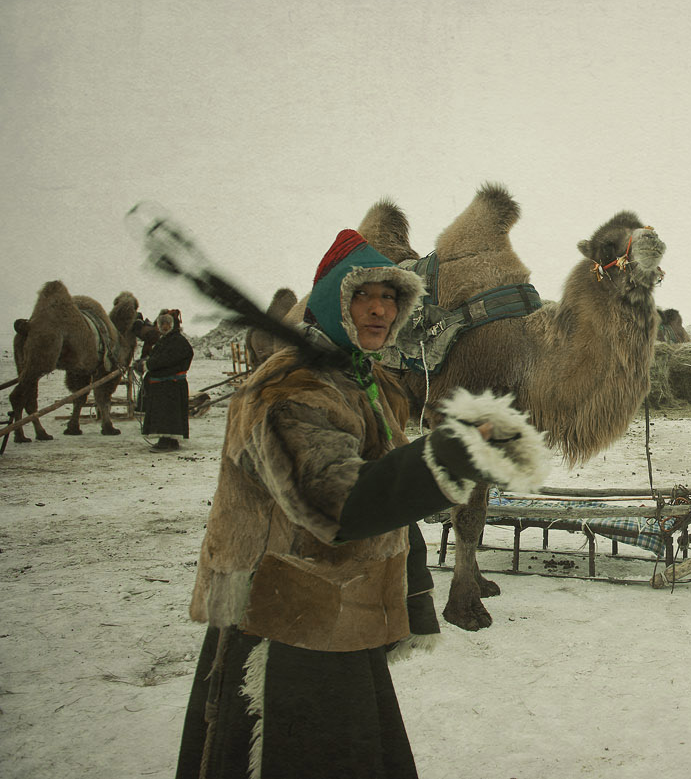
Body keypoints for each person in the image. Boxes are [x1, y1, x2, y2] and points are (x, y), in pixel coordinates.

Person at [174, 229, 550, 779]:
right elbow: (341, 504)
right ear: (333, 302)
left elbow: (378, 481)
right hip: (281, 626)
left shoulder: (353, 381)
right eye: (363, 296)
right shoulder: (290, 392)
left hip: (332, 615)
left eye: (391, 298)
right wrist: (458, 450)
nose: (379, 309)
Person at [140, 309, 194, 450]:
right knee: (167, 413)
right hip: (167, 385)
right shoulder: (166, 340)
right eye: (162, 324)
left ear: (172, 325)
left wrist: (148, 365)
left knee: (167, 414)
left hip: (171, 385)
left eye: (167, 324)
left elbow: (164, 360)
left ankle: (167, 441)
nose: (164, 326)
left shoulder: (177, 341)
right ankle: (169, 440)